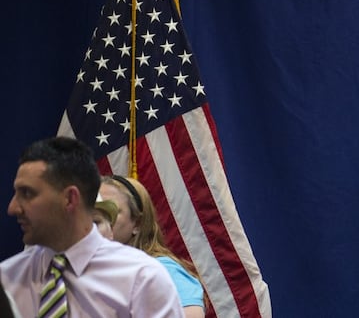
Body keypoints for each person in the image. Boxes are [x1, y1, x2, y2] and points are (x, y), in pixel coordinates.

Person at [0, 136, 183, 316]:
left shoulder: (142, 279)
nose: (12, 208)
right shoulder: (7, 279)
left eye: (27, 193)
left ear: (70, 199)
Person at [100, 175, 206, 318]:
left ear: (137, 223)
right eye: (94, 211)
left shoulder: (164, 270)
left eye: (111, 210)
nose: (100, 218)